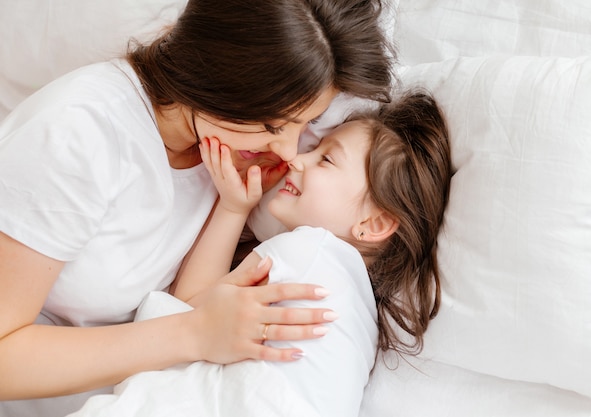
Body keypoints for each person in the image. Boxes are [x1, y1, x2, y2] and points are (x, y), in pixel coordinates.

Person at [0, 0, 394, 415]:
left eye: (306, 123)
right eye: (271, 126)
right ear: (211, 80)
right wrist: (193, 332)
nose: (290, 151)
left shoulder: (230, 154)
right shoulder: (75, 135)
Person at [103, 89, 447, 417]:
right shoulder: (363, 322)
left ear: (372, 224)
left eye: (325, 158)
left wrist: (234, 208)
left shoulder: (309, 249)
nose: (297, 159)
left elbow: (187, 309)